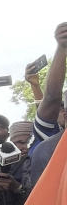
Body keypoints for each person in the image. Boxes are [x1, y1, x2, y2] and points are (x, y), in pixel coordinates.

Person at [28, 22, 67, 152]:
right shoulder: (53, 140)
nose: (62, 112)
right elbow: (51, 99)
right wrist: (62, 48)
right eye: (60, 109)